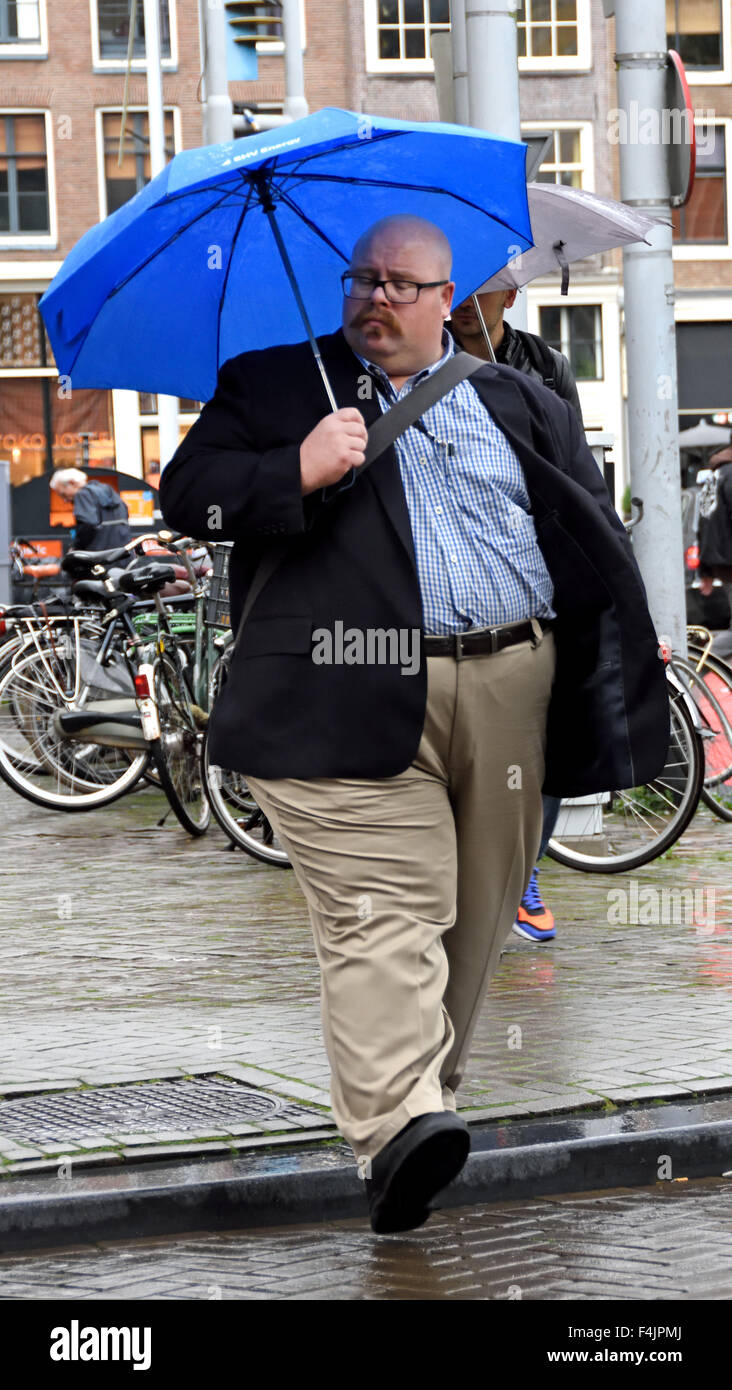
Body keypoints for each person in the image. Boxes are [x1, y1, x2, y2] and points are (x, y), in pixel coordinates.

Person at [159, 214, 668, 1235]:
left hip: (512, 683)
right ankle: (400, 1122)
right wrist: (293, 470)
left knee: (473, 920)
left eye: (403, 284)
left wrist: (622, 641)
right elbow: (189, 499)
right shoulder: (275, 385)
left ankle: (413, 1122)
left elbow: (585, 526)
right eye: (363, 280)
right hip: (343, 690)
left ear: (452, 299)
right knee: (384, 915)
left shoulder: (519, 396)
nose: (377, 299)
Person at [451, 286, 585, 944]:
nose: (459, 301)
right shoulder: (424, 365)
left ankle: (524, 869)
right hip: (456, 572)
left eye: (476, 286)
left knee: (544, 741)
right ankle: (471, 882)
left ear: (506, 291)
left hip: (537, 563)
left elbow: (573, 466)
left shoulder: (546, 365)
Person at [698, 446, 732, 660]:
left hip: (722, 561)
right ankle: (699, 659)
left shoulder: (714, 476)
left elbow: (703, 521)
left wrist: (706, 571)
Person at [50, 468, 133, 553]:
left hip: (101, 557)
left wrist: (76, 548)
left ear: (72, 483)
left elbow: (87, 524)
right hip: (123, 554)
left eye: (63, 494)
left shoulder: (83, 494)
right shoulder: (109, 490)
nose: (65, 500)